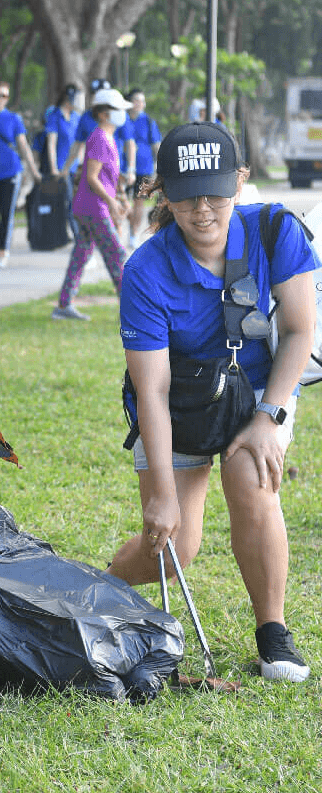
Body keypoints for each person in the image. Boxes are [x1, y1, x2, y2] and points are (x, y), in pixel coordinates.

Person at [109, 122, 318, 683]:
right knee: (179, 542)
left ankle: (273, 631)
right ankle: (101, 585)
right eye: (185, 195)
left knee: (252, 479)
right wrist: (160, 492)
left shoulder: (276, 231)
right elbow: (150, 388)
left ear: (241, 182)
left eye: (216, 193)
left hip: (260, 394)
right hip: (179, 404)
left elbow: (299, 332)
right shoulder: (146, 270)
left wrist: (268, 418)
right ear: (162, 191)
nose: (202, 209)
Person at [52, 86, 130, 321]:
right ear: (105, 114)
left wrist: (120, 199)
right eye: (118, 110)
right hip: (93, 208)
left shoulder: (109, 138)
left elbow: (110, 178)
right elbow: (92, 177)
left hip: (93, 207)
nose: (123, 114)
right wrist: (110, 202)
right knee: (116, 254)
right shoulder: (98, 138)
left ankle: (63, 306)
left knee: (82, 254)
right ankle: (130, 310)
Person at [0, 82, 40, 268]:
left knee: (7, 214)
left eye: (4, 96)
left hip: (11, 173)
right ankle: (4, 235)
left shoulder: (14, 119)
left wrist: (33, 171)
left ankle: (3, 252)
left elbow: (23, 146)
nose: (0, 99)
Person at [117, 89, 161, 249]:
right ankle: (124, 226)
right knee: (121, 203)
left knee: (139, 203)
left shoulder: (149, 121)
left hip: (144, 168)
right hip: (121, 168)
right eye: (137, 100)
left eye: (142, 101)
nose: (140, 104)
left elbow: (156, 145)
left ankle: (134, 234)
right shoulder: (121, 119)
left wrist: (161, 167)